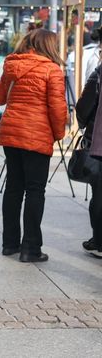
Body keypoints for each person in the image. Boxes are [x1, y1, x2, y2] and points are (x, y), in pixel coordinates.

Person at [0, 29, 68, 263]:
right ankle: (31, 248)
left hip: (11, 135)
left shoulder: (12, 65)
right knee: (35, 191)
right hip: (37, 135)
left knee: (14, 188)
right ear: (50, 46)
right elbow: (57, 109)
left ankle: (9, 244)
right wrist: (58, 134)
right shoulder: (52, 70)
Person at [75, 64, 102, 258]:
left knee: (100, 194)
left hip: (99, 143)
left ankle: (99, 240)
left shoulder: (99, 73)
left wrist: (84, 123)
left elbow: (84, 107)